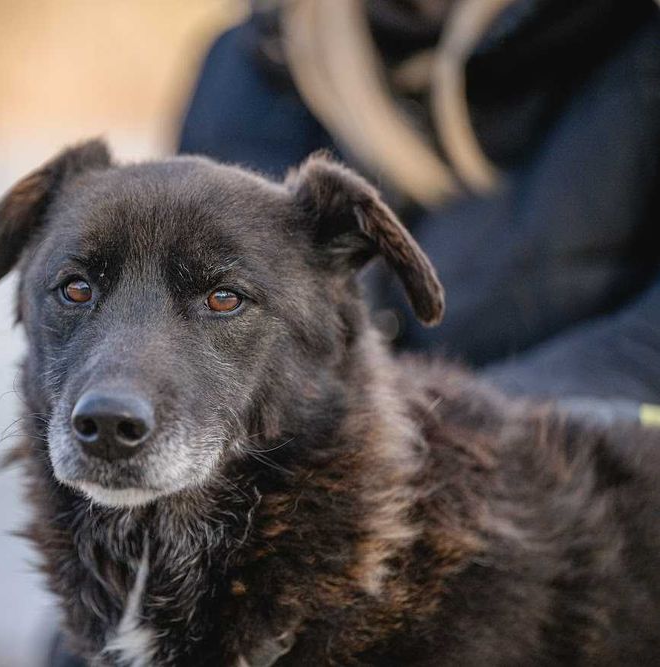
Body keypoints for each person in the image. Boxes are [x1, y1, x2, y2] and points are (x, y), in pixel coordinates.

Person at [179, 0, 660, 424]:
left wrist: (470, 417)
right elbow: (184, 313)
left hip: (561, 483)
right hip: (337, 491)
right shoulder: (251, 64)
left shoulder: (633, 47)